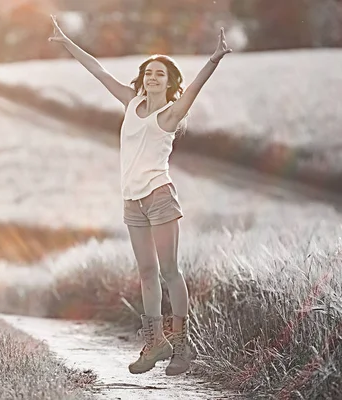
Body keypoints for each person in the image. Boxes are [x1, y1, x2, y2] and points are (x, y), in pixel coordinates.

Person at [48, 15, 232, 376]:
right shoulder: (131, 103)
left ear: (169, 82)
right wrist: (67, 42)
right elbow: (98, 71)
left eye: (159, 74)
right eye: (148, 72)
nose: (152, 77)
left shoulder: (171, 113)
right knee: (146, 272)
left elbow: (194, 89)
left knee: (169, 272)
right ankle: (155, 343)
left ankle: (182, 344)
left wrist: (214, 58)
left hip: (159, 197)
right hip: (131, 201)